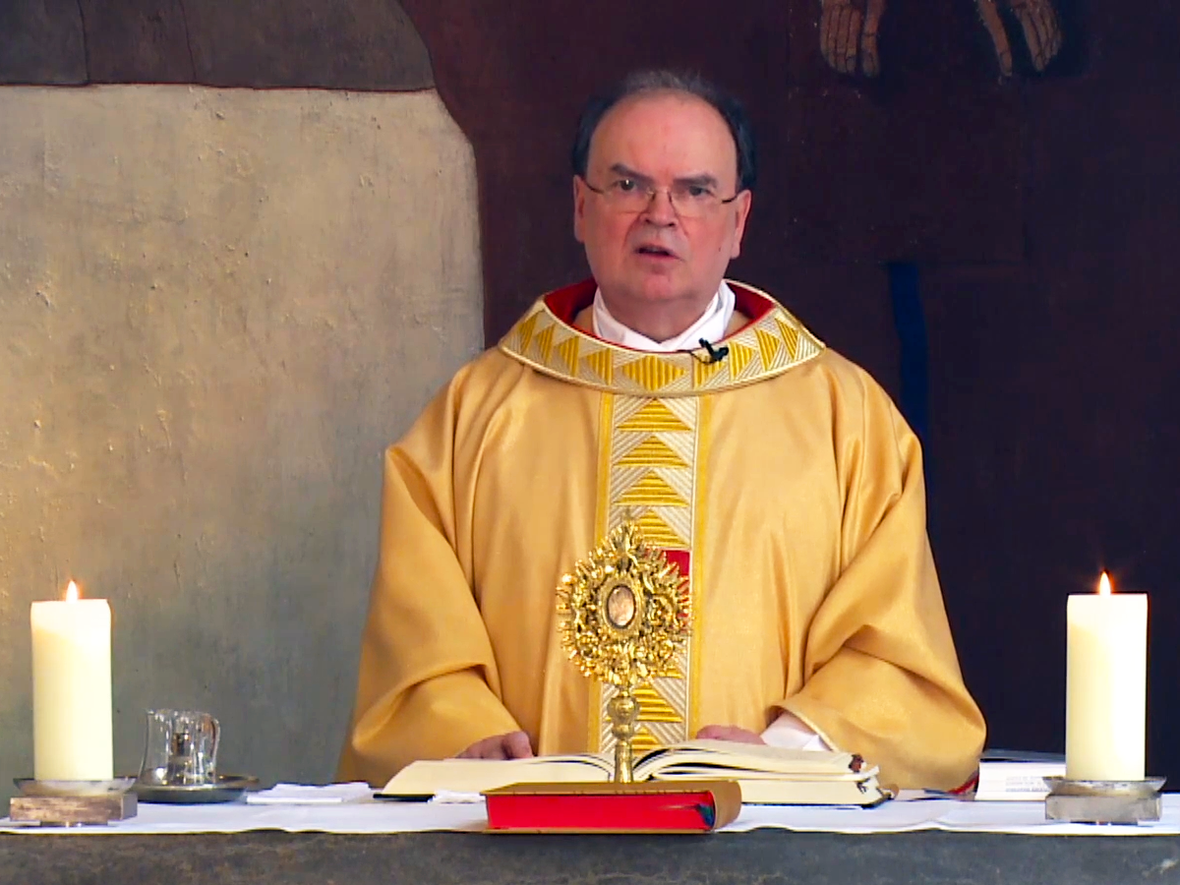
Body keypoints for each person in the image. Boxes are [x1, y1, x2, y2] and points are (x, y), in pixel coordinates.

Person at [338, 70, 985, 791]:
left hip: (770, 848)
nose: (660, 214)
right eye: (627, 185)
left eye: (696, 190)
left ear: (739, 222)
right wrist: (463, 729)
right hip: (528, 850)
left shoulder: (846, 419)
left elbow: (898, 656)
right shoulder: (476, 414)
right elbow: (419, 649)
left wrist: (785, 751)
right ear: (580, 207)